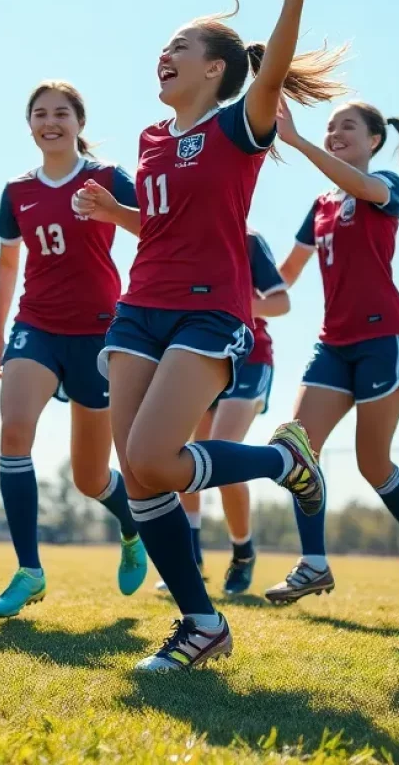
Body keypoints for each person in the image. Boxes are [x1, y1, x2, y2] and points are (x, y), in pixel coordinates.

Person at [74, 0, 352, 671]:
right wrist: (116, 217)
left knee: (153, 456)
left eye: (180, 45)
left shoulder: (239, 124)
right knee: (138, 474)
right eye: (162, 45)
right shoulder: (149, 138)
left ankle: (278, 458)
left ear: (216, 68)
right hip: (139, 306)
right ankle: (202, 623)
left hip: (210, 310)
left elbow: (275, 76)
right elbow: (164, 226)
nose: (163, 54)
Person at [265, 96, 399, 607]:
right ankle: (313, 564)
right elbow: (286, 276)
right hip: (332, 344)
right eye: (329, 127)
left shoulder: (386, 187)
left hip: (383, 339)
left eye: (347, 126)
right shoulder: (320, 206)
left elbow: (360, 186)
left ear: (374, 141)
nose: (334, 132)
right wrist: (238, 291)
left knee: (373, 463)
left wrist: (297, 141)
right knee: (296, 451)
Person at [0, 80, 147, 618]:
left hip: (100, 334)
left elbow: (157, 227)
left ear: (80, 122)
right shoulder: (16, 191)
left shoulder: (106, 177)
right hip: (36, 326)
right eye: (39, 114)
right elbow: (8, 265)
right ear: (29, 125)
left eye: (61, 113)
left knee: (89, 477)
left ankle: (129, 526)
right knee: (13, 430)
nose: (49, 122)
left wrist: (109, 210)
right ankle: (29, 570)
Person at [156, 229, 289, 596]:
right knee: (185, 458)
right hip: (202, 356)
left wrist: (237, 304)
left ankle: (243, 551)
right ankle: (191, 559)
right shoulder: (183, 236)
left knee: (222, 451)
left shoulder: (247, 239)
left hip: (250, 357)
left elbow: (281, 302)